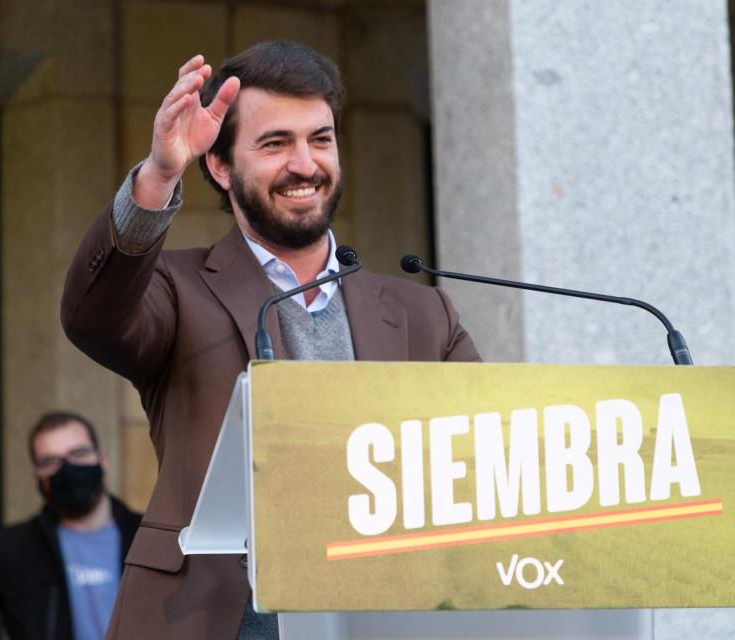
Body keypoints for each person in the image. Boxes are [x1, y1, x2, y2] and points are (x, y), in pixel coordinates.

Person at [60, 41, 481, 639]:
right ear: (221, 166)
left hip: (382, 616)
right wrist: (158, 175)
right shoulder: (177, 288)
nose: (305, 165)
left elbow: (489, 455)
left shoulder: (422, 312)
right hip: (222, 619)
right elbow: (93, 318)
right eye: (275, 143)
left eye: (320, 139)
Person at [0, 412, 141, 640]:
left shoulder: (149, 538)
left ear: (102, 459)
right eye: (50, 461)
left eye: (78, 453)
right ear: (36, 474)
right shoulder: (11, 549)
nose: (67, 469)